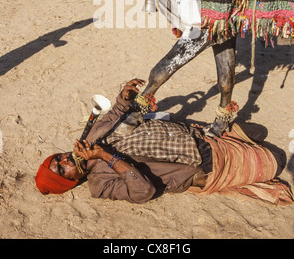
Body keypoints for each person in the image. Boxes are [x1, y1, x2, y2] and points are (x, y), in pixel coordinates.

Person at [35, 79, 294, 206]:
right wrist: (106, 157)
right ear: (69, 181)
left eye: (58, 157)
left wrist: (123, 97)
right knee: (278, 159)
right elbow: (143, 192)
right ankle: (238, 146)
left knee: (259, 131)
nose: (65, 160)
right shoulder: (99, 185)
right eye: (61, 169)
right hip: (203, 163)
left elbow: (114, 114)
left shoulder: (89, 137)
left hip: (194, 134)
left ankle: (233, 138)